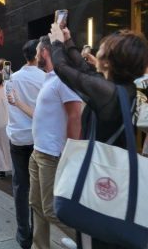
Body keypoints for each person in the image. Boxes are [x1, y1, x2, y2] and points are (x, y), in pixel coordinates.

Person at [49, 24, 148, 248]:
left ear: (109, 60)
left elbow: (64, 70)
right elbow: (86, 72)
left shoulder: (108, 92)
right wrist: (68, 42)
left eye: (103, 49)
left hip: (100, 173)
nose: (98, 51)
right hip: (113, 168)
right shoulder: (121, 88)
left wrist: (56, 42)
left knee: (96, 228)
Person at [29, 35, 82, 249]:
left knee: (51, 209)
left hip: (52, 155)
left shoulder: (63, 79)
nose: (34, 57)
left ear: (44, 52)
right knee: (37, 205)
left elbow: (75, 115)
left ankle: (91, 242)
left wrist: (70, 153)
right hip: (39, 152)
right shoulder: (49, 77)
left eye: (36, 52)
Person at [6, 39, 45, 249]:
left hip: (18, 138)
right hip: (38, 139)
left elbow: (11, 107)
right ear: (38, 55)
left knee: (21, 187)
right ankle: (38, 236)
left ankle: (23, 236)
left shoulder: (12, 78)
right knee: (39, 190)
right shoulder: (46, 78)